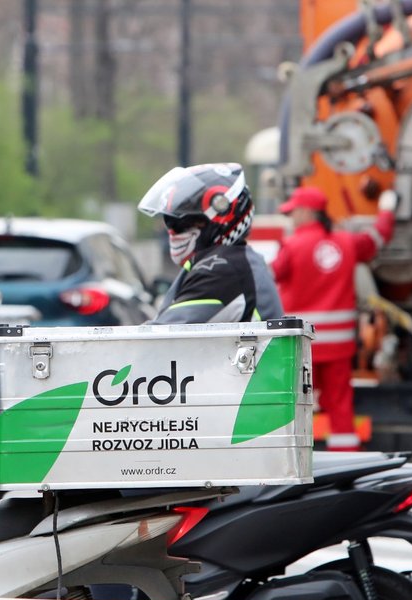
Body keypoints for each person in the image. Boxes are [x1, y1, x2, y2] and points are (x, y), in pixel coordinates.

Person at [271, 185, 397, 451]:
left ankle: (294, 457)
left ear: (306, 212)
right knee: (340, 405)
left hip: (303, 346)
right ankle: (346, 456)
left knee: (298, 403)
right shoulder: (346, 242)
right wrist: (386, 209)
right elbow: (377, 239)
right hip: (339, 346)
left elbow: (270, 279)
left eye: (293, 212)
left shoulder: (291, 246)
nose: (291, 218)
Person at [138, 162, 283, 324]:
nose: (173, 231)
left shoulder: (223, 269)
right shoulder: (237, 260)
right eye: (170, 222)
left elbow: (164, 336)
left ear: (221, 219)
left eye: (186, 222)